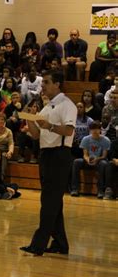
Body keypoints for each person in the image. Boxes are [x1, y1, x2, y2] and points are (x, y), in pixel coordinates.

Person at [21, 70, 77, 256]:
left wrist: (50, 126)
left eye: (46, 82)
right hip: (46, 155)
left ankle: (38, 244)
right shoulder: (47, 107)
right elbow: (36, 134)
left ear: (57, 84)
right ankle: (60, 243)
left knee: (49, 202)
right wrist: (30, 118)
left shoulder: (67, 105)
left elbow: (69, 131)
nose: (42, 85)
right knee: (54, 202)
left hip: (59, 155)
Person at [70, 121, 110, 198]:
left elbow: (104, 156)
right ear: (90, 130)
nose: (95, 131)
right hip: (88, 160)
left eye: (97, 129)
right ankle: (74, 189)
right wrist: (88, 159)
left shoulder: (106, 140)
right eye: (92, 129)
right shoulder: (86, 139)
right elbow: (85, 154)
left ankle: (100, 190)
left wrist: (97, 159)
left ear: (100, 130)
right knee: (76, 162)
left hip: (99, 161)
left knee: (103, 164)